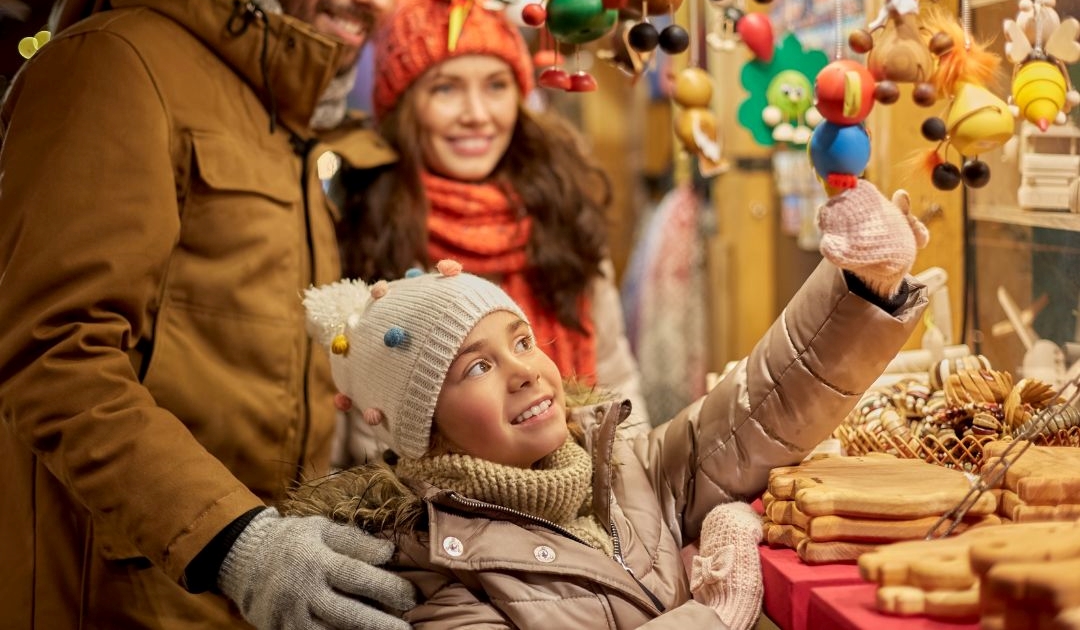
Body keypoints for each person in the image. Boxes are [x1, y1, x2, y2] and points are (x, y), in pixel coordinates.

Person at [0, 0, 426, 627]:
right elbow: (52, 349)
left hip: (247, 592)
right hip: (122, 594)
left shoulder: (283, 113)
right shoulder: (121, 60)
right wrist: (236, 541)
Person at [289, 177, 930, 628]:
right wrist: (714, 614)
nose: (523, 371)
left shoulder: (625, 469)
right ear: (424, 429)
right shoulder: (433, 574)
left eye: (522, 341)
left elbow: (755, 412)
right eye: (477, 367)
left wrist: (860, 288)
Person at [333, 0, 651, 464]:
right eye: (446, 89)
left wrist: (628, 486)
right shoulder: (367, 228)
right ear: (403, 106)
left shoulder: (559, 208)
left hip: (586, 481)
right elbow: (363, 435)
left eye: (497, 86)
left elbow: (615, 380)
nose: (477, 114)